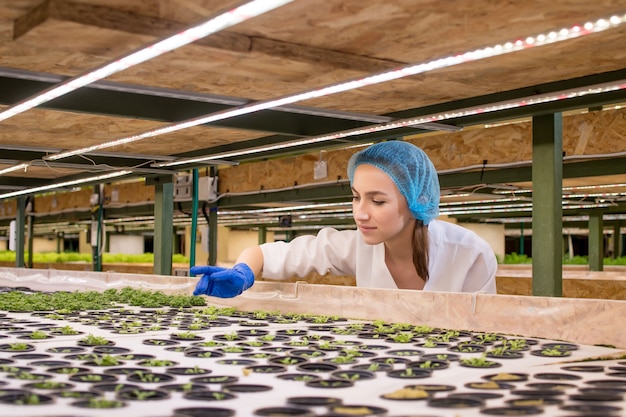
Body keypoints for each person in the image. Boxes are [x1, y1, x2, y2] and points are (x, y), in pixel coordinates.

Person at [191, 140, 497, 298]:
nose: (360, 213)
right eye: (356, 196)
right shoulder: (356, 246)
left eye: (377, 201)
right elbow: (268, 254)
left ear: (417, 201)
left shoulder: (470, 255)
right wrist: (243, 272)